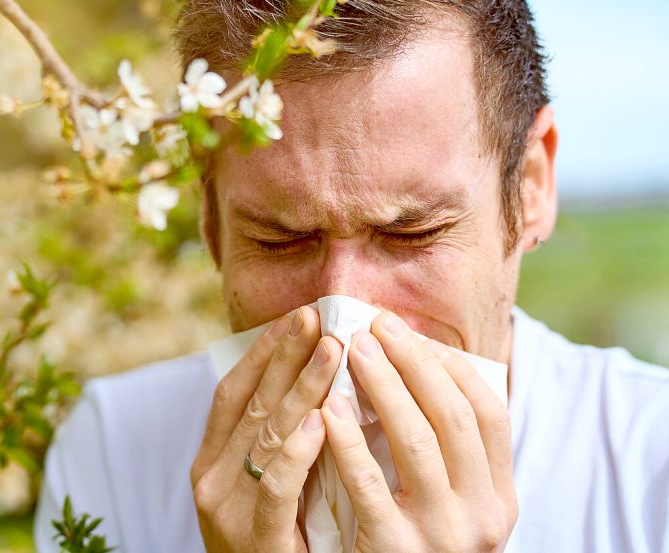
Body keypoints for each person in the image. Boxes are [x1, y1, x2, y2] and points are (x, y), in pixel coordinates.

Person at [34, 1, 669, 551]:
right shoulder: (115, 453)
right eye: (281, 240)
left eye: (411, 235)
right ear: (210, 223)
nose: (342, 312)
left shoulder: (650, 470)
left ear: (530, 187)